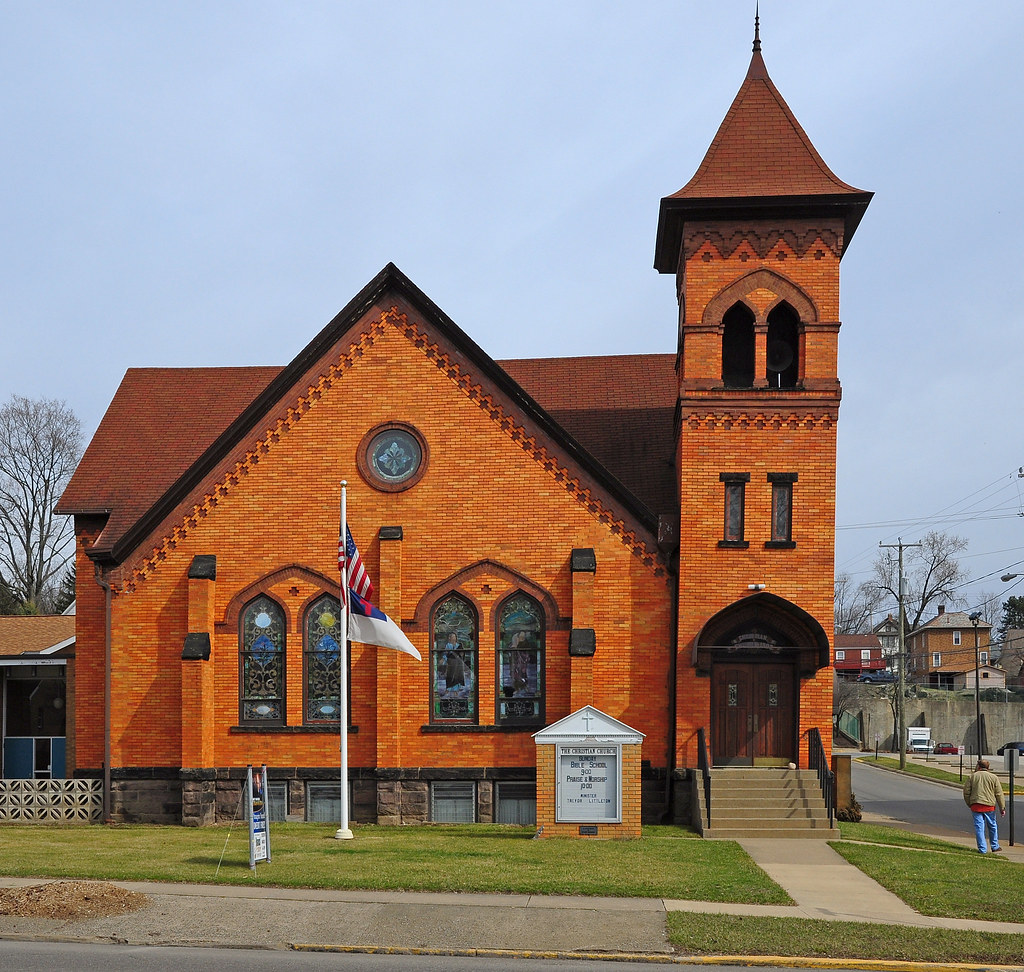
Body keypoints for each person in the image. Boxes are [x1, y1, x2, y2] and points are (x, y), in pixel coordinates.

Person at [962, 759, 1005, 854]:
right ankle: (995, 846)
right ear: (988, 767)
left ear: (979, 766)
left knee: (979, 827)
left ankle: (982, 849)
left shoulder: (972, 777)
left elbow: (966, 792)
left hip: (976, 805)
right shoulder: (994, 777)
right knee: (992, 826)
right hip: (989, 806)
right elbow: (999, 794)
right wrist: (1002, 807)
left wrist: (970, 803)